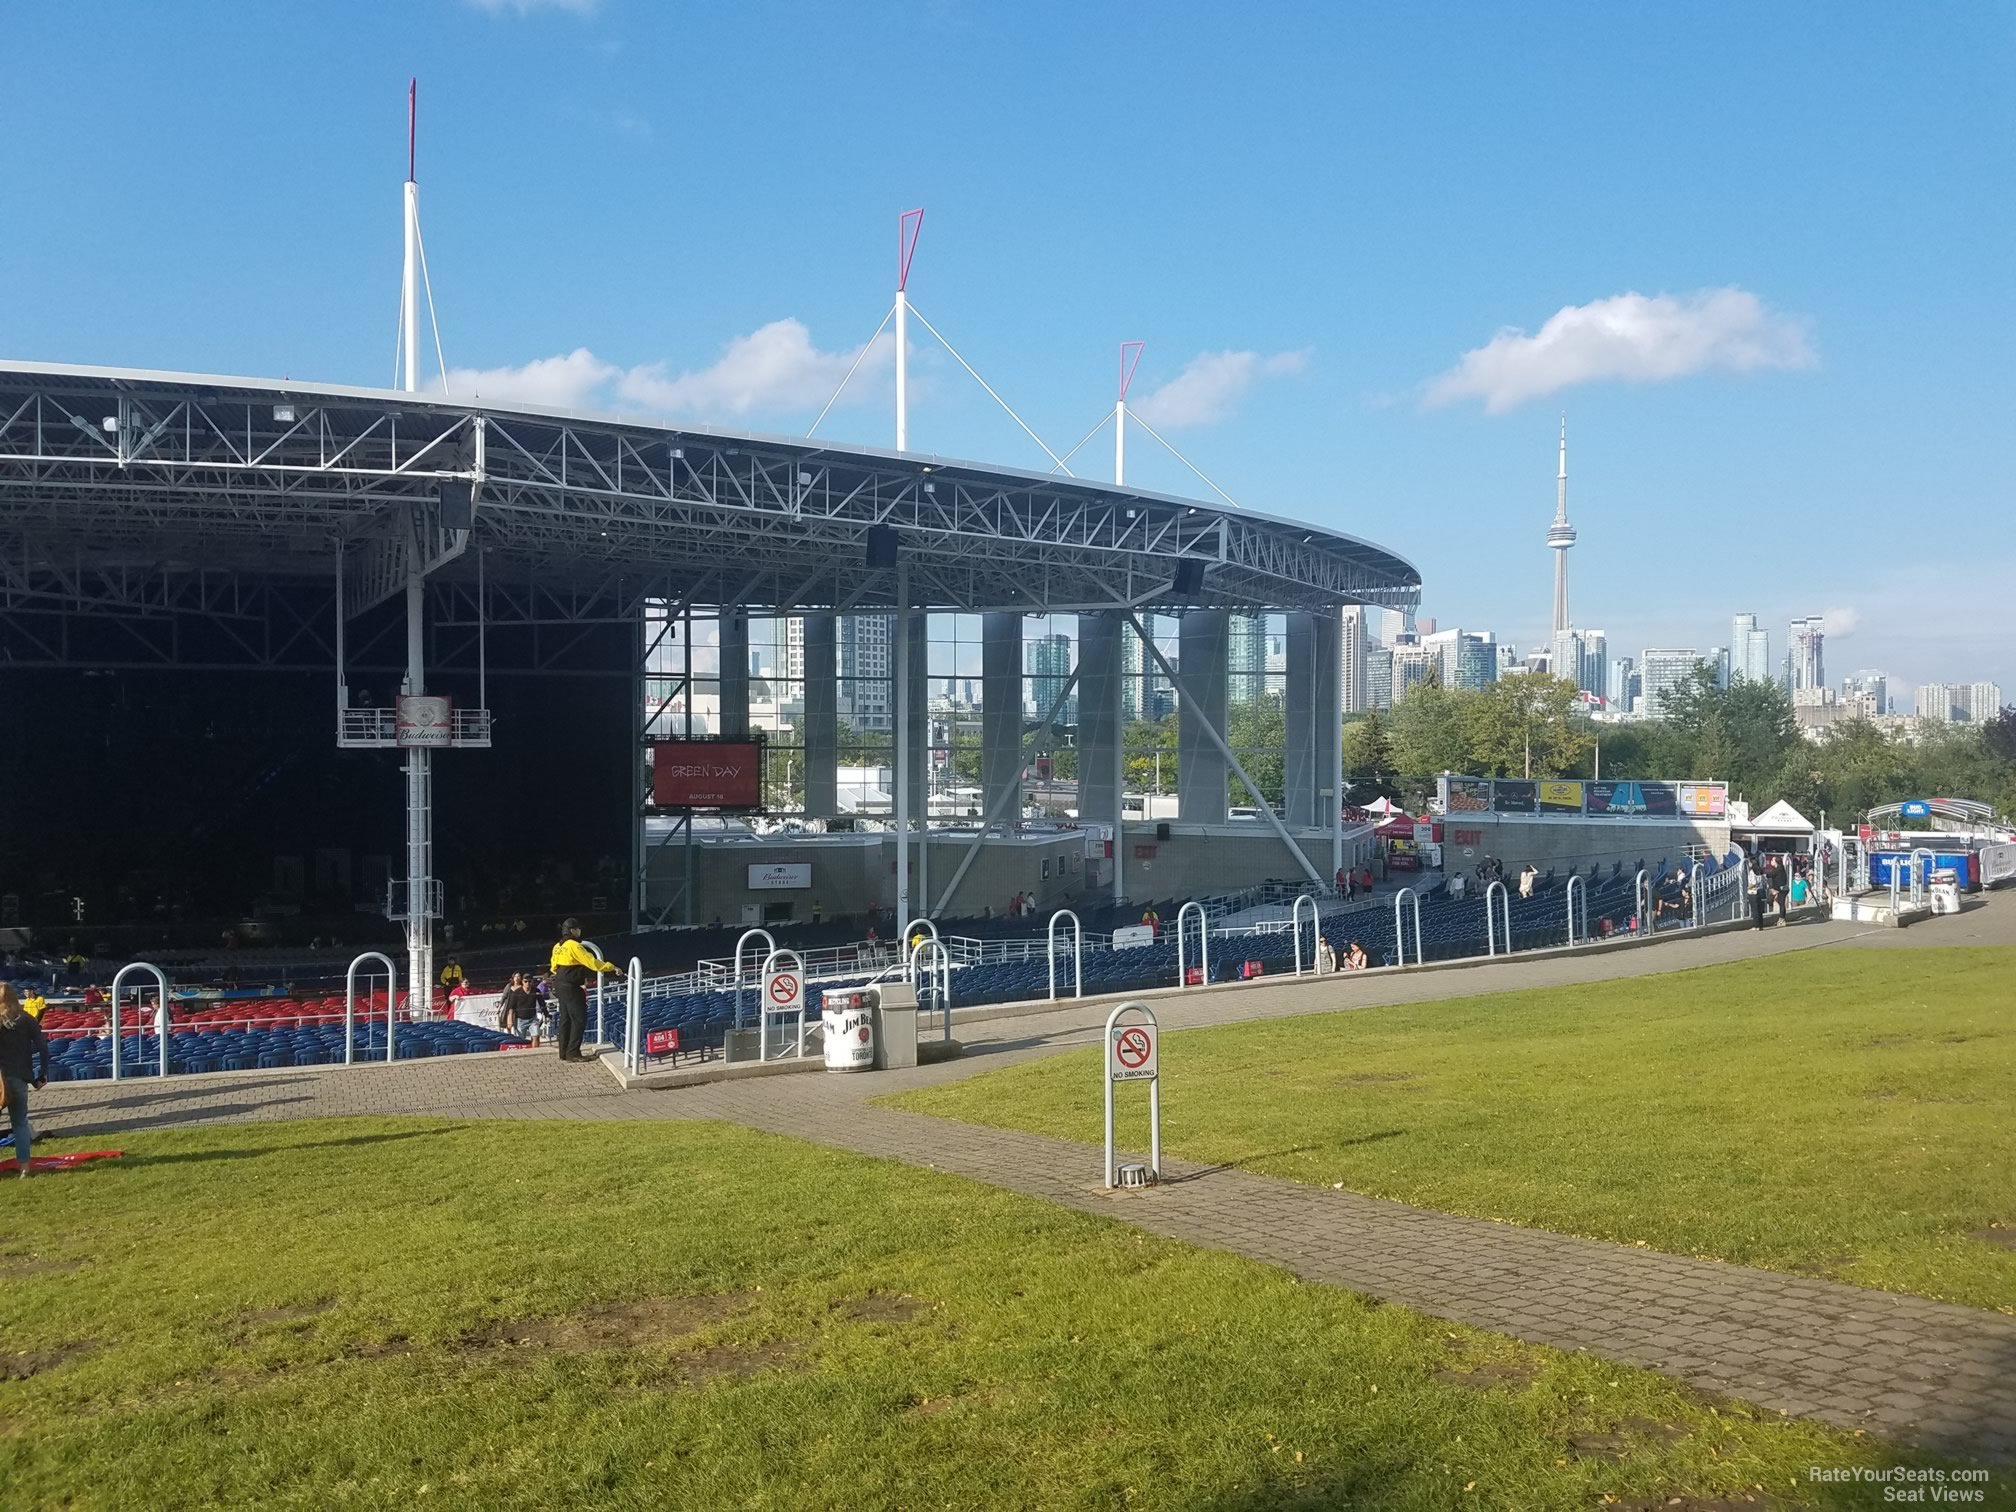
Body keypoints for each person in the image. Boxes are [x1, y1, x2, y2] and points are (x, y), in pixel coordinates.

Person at [548, 919, 617, 1063]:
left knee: (565, 1019)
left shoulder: (557, 946)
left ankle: (564, 1052)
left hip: (559, 983)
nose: (580, 931)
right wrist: (611, 967)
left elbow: (553, 967)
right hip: (571, 985)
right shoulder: (574, 945)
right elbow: (592, 962)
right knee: (579, 1019)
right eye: (578, 929)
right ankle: (573, 1053)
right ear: (572, 930)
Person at [0, 985, 50, 1178]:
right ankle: (24, 1168)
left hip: (0, 1078)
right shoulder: (27, 1019)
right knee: (20, 1123)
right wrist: (42, 1075)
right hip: (20, 1077)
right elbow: (43, 1048)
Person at [1748, 865, 1769, 931]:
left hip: (1753, 892)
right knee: (1760, 910)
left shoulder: (1752, 872)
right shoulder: (1762, 872)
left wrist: (1748, 887)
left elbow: (1753, 882)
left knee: (1755, 910)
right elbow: (1766, 883)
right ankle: (1760, 925)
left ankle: (1756, 926)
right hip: (1761, 891)